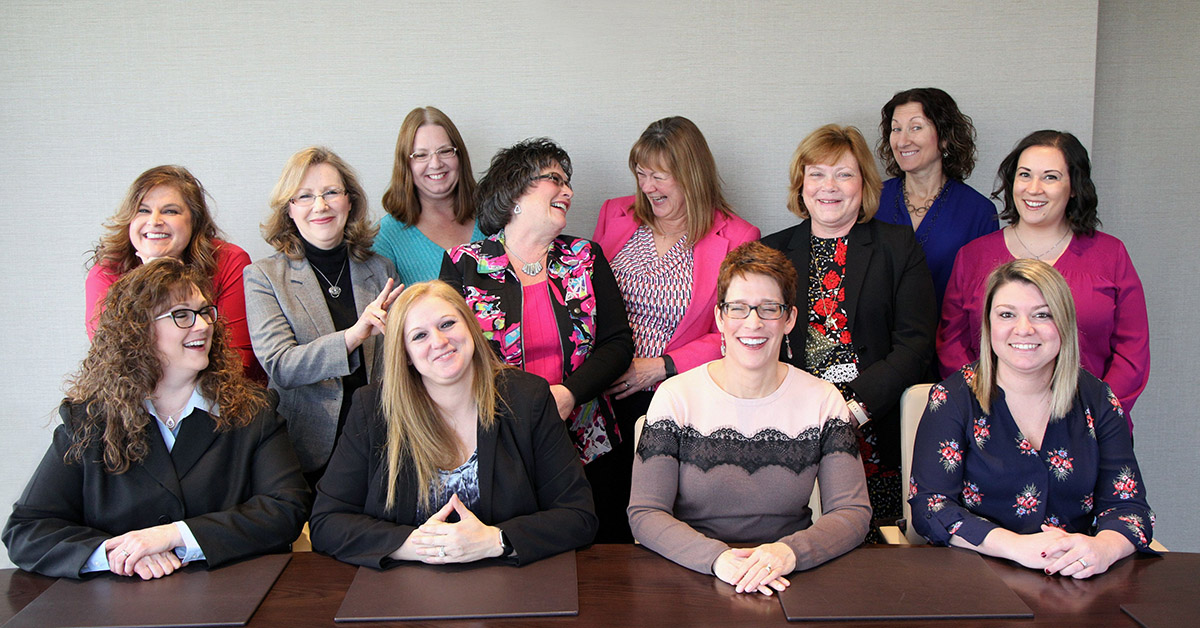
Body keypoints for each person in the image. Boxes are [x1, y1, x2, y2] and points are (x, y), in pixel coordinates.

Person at [3, 259, 311, 579]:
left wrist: (176, 535)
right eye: (182, 315)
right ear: (138, 331)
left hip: (227, 599)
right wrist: (114, 553)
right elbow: (27, 531)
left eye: (205, 312)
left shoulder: (252, 411)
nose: (204, 325)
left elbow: (285, 510)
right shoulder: (89, 421)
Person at [629, 242, 870, 596]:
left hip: (789, 576)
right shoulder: (675, 396)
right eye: (738, 308)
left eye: (769, 308)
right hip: (692, 575)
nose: (753, 323)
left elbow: (852, 513)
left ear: (789, 319)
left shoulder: (824, 400)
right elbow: (645, 513)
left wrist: (789, 552)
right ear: (719, 318)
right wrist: (719, 559)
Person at [309, 281, 597, 567]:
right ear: (405, 355)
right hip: (404, 590)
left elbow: (578, 515)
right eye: (419, 336)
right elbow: (327, 522)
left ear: (470, 327)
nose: (439, 341)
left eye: (447, 324)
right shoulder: (373, 408)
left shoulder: (527, 397)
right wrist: (417, 546)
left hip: (512, 585)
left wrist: (495, 541)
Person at [441, 138, 633, 541]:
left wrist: (569, 394)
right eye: (555, 179)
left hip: (587, 436)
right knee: (510, 552)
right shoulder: (464, 264)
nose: (568, 191)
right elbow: (449, 349)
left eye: (568, 182)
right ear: (515, 189)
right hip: (496, 438)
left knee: (598, 556)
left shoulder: (586, 256)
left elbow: (617, 344)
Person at [911, 259, 1154, 578]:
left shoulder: (1098, 399)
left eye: (1043, 314)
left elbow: (1129, 507)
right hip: (975, 575)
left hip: (1074, 577)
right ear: (988, 324)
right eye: (1007, 314)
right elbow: (931, 506)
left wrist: (1103, 548)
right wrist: (1015, 547)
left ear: (1064, 323)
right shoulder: (953, 398)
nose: (1024, 329)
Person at [591, 116, 760, 542]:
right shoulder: (616, 214)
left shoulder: (738, 236)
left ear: (691, 174)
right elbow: (587, 297)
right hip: (603, 396)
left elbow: (737, 329)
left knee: (665, 521)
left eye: (659, 176)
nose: (647, 187)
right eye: (641, 174)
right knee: (604, 515)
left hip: (675, 396)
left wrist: (661, 366)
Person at [761, 124, 937, 532]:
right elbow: (756, 338)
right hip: (793, 423)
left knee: (875, 555)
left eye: (844, 174)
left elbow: (915, 345)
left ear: (864, 184)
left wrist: (853, 408)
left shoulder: (898, 246)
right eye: (817, 173)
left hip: (877, 422)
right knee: (795, 541)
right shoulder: (771, 252)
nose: (830, 186)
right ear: (801, 184)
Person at [938, 130, 1150, 426]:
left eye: (1050, 177)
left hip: (1090, 425)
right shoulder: (973, 256)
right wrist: (987, 406)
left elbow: (1132, 351)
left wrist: (1097, 412)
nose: (1033, 189)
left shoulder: (1110, 254)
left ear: (1074, 187)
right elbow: (952, 344)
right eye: (1025, 175)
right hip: (993, 423)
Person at [245, 147, 403, 486]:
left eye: (331, 192)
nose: (320, 206)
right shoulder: (264, 276)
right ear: (289, 209)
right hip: (303, 454)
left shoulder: (380, 269)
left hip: (380, 446)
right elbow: (281, 365)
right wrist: (353, 336)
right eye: (304, 196)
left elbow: (397, 359)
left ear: (350, 201)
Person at [85, 165, 264, 382]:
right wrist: (152, 279)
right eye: (143, 210)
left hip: (222, 400)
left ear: (194, 220)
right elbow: (117, 363)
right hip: (139, 403)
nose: (154, 221)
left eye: (170, 211)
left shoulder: (228, 261)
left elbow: (237, 363)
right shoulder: (106, 274)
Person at [875, 88, 998, 309]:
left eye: (916, 127)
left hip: (947, 338)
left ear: (944, 137)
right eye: (896, 129)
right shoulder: (871, 200)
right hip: (875, 339)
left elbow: (984, 298)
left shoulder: (979, 212)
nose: (902, 141)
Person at [375, 106, 485, 284]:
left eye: (445, 151)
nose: (435, 164)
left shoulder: (494, 218)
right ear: (405, 165)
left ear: (459, 156)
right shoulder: (385, 238)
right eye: (420, 155)